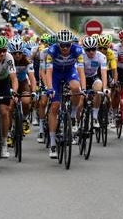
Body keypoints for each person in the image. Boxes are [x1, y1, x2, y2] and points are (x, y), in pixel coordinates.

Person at [44, 29, 85, 158]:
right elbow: (48, 72)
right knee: (55, 106)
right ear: (58, 44)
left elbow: (81, 71)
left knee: (76, 87)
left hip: (69, 72)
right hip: (55, 74)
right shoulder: (52, 51)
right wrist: (50, 88)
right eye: (62, 45)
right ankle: (52, 144)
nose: (65, 48)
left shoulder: (78, 50)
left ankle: (72, 116)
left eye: (68, 45)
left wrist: (83, 88)